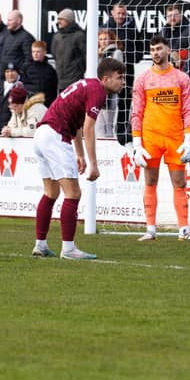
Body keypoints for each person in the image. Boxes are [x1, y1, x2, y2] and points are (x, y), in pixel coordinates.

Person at [31, 56, 125, 259]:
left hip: (42, 134)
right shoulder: (98, 92)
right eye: (119, 77)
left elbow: (76, 124)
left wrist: (80, 154)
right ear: (106, 78)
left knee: (50, 192)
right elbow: (89, 129)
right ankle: (69, 249)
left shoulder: (88, 86)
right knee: (73, 193)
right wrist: (93, 164)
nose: (122, 82)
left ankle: (40, 244)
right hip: (55, 136)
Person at [132, 35, 190, 241]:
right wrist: (137, 143)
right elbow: (137, 112)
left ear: (168, 50)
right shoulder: (143, 79)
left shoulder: (181, 78)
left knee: (179, 183)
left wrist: (189, 139)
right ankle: (150, 229)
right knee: (150, 181)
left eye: (159, 48)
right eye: (152, 49)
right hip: (151, 138)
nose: (155, 52)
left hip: (175, 138)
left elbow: (189, 110)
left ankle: (184, 229)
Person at [101, 1, 144, 146]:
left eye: (123, 13)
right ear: (112, 13)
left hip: (127, 72)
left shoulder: (132, 28)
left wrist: (128, 60)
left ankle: (121, 133)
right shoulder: (105, 29)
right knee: (107, 103)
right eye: (118, 13)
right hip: (109, 74)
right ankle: (105, 133)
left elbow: (140, 49)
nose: (121, 16)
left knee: (125, 102)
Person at [96, 29, 124, 137]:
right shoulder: (96, 53)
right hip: (98, 90)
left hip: (110, 91)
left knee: (108, 121)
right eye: (101, 39)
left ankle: (109, 143)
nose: (103, 42)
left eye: (105, 39)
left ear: (111, 40)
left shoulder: (116, 52)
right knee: (98, 121)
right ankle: (100, 144)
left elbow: (118, 70)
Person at [52, 8, 86, 92]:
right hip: (60, 80)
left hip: (75, 79)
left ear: (69, 21)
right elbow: (54, 54)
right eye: (58, 19)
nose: (58, 21)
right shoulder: (57, 36)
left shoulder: (79, 35)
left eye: (61, 19)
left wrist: (78, 68)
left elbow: (85, 55)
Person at [1, 9, 35, 79]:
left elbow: (29, 60)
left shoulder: (27, 38)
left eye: (10, 20)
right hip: (5, 78)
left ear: (19, 21)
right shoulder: (7, 36)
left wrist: (19, 73)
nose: (7, 23)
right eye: (7, 20)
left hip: (19, 80)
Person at [22, 40, 58, 108]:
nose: (35, 54)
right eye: (33, 52)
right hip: (29, 104)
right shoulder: (25, 68)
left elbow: (53, 90)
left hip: (45, 105)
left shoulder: (50, 70)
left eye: (38, 52)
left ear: (44, 52)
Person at [0, 62, 24, 135]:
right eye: (7, 71)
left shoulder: (21, 88)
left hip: (10, 131)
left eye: (12, 71)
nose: (10, 74)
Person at [161, 3, 190, 70]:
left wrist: (181, 56)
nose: (172, 18)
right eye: (169, 15)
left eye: (175, 15)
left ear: (181, 15)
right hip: (166, 71)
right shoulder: (163, 32)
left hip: (185, 71)